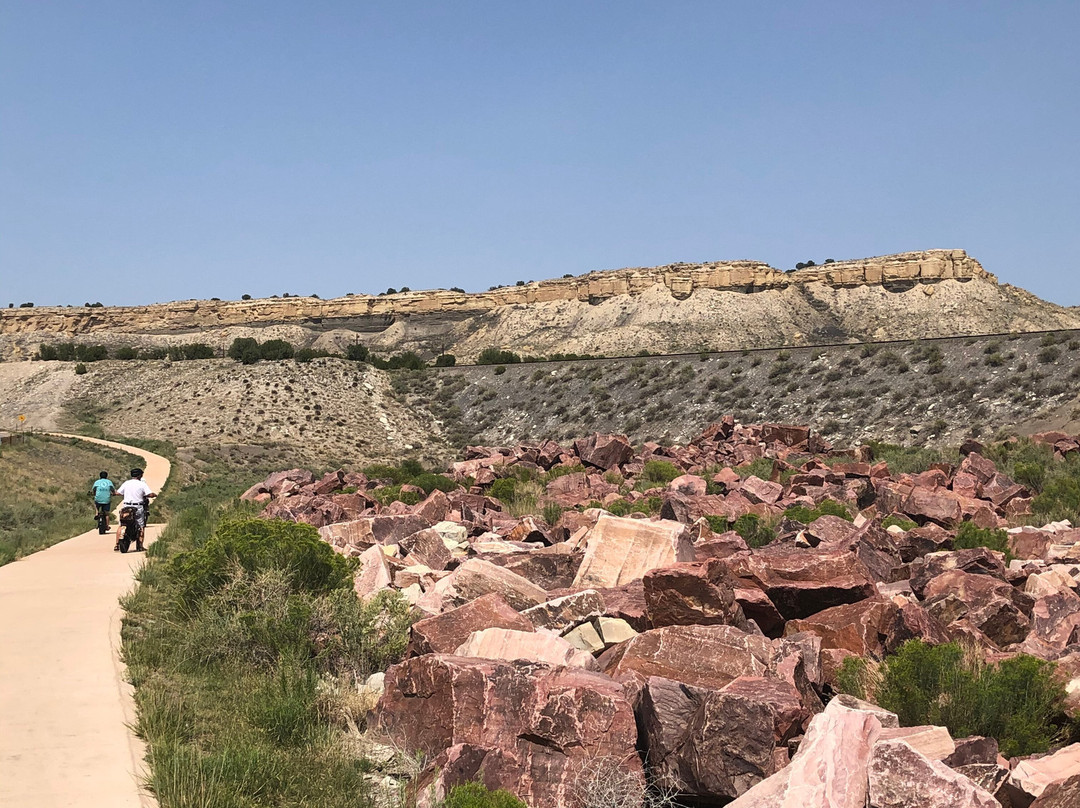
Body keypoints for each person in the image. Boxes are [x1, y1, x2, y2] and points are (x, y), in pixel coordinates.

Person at [115, 467, 156, 552]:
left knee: (122, 524)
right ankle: (140, 546)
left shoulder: (126, 483)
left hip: (126, 506)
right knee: (141, 526)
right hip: (137, 507)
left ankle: (116, 544)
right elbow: (149, 494)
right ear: (140, 475)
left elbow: (118, 493)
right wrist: (153, 495)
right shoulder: (142, 484)